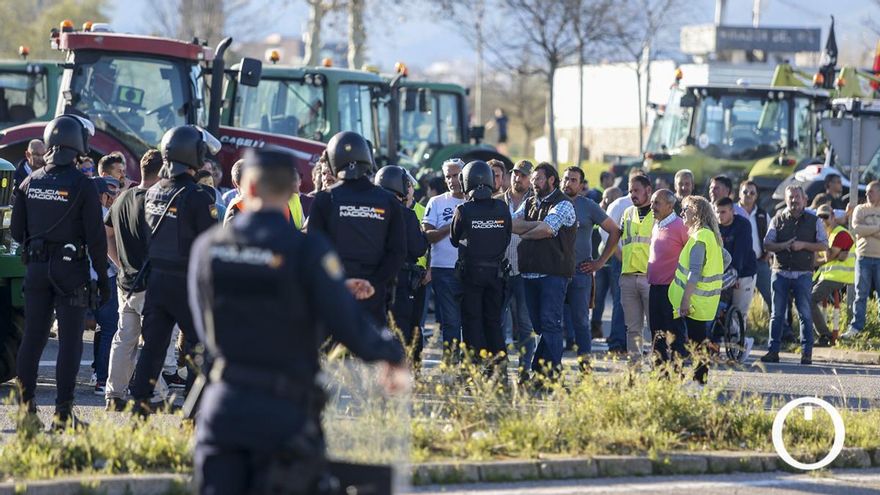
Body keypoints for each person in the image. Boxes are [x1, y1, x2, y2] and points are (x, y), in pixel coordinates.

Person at [188, 145, 408, 495]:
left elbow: (203, 324)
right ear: (292, 188)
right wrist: (390, 353)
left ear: (248, 187)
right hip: (283, 411)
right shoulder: (306, 250)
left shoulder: (209, 247)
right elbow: (346, 320)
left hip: (223, 406)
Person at [11, 114, 109, 428]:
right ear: (78, 145)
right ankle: (63, 414)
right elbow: (96, 238)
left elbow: (16, 232)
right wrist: (104, 280)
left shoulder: (29, 181)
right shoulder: (83, 185)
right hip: (71, 271)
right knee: (70, 342)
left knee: (33, 339)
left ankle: (26, 412)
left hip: (37, 269)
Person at [128, 125, 221, 414]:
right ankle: (193, 415)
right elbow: (212, 243)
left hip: (157, 281)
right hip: (187, 283)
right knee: (197, 349)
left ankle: (138, 409)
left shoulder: (153, 191)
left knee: (152, 349)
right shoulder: (198, 197)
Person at [307, 131, 406, 326]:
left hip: (334, 291)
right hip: (372, 293)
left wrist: (341, 281)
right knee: (370, 351)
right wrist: (373, 283)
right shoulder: (388, 201)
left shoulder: (325, 199)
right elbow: (397, 252)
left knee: (332, 353)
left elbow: (315, 249)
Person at [104, 149, 168, 411]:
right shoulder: (156, 200)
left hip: (126, 280)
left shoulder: (122, 198)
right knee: (154, 341)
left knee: (125, 337)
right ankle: (159, 396)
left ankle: (114, 394)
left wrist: (120, 263)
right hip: (150, 281)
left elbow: (105, 234)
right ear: (162, 172)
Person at [512, 162, 576, 378]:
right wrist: (534, 226)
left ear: (551, 180)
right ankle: (541, 371)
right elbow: (512, 224)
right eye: (533, 179)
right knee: (540, 327)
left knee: (550, 325)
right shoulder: (529, 201)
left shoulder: (564, 204)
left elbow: (547, 229)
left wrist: (526, 231)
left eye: (538, 179)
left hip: (553, 275)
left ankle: (550, 375)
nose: (534, 183)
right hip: (529, 274)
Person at [450, 161, 512, 369]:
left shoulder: (464, 209)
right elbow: (506, 238)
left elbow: (453, 239)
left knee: (472, 321)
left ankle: (473, 368)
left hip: (472, 275)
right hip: (496, 274)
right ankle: (499, 367)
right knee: (493, 321)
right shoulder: (502, 208)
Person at [761, 185, 828, 364]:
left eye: (797, 197)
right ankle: (773, 351)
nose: (794, 200)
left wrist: (803, 245)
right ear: (786, 199)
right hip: (780, 272)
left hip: (803, 273)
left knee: (805, 314)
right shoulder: (777, 219)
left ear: (805, 199)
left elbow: (823, 245)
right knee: (777, 315)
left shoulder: (815, 221)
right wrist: (783, 246)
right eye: (791, 197)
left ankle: (807, 353)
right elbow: (767, 244)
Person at [561, 167, 620, 368]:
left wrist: (600, 262)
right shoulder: (550, 204)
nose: (568, 183)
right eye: (566, 179)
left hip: (580, 272)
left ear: (581, 185)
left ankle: (585, 366)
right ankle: (549, 368)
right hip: (553, 272)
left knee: (581, 322)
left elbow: (614, 231)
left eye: (574, 180)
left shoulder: (588, 206)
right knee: (550, 323)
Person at [668, 195, 724, 387]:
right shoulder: (709, 235)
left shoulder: (701, 237)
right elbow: (727, 259)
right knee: (698, 342)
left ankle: (699, 382)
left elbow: (694, 273)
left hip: (693, 301)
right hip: (703, 301)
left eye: (686, 209)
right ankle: (698, 381)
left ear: (698, 213)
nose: (682, 213)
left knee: (696, 344)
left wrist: (685, 300)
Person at [375, 166, 428, 362]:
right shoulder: (407, 215)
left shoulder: (374, 212)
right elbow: (418, 249)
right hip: (402, 280)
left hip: (376, 277)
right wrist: (424, 238)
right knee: (403, 327)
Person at [423, 159, 467, 351]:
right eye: (448, 176)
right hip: (444, 270)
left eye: (455, 175)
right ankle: (451, 366)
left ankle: (471, 367)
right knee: (450, 322)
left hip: (471, 269)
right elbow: (428, 236)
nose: (451, 180)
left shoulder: (475, 201)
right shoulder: (437, 202)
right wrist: (452, 225)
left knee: (471, 321)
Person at [498, 160, 535, 375]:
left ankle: (524, 368)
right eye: (514, 174)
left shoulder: (535, 204)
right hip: (500, 271)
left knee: (525, 324)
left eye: (522, 175)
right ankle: (500, 367)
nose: (517, 178)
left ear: (530, 179)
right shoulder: (497, 203)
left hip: (525, 271)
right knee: (499, 322)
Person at [646, 189, 689, 366]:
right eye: (652, 202)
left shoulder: (680, 226)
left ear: (670, 206)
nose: (652, 206)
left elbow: (692, 253)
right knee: (657, 333)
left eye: (657, 203)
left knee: (674, 334)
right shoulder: (657, 224)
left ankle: (677, 372)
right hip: (655, 287)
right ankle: (660, 375)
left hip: (672, 289)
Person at [619, 174, 654, 360]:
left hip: (651, 278)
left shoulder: (658, 214)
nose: (632, 194)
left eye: (636, 190)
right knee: (632, 329)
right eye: (630, 190)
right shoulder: (627, 213)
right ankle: (634, 370)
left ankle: (660, 370)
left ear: (648, 190)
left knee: (656, 327)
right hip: (629, 277)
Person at [92, 177, 120, 396]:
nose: (112, 198)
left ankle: (97, 373)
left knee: (100, 328)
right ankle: (102, 379)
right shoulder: (106, 216)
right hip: (106, 277)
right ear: (103, 196)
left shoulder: (80, 213)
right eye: (110, 194)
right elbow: (111, 247)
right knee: (110, 328)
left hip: (81, 277)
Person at [811, 204, 854, 346]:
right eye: (819, 217)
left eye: (826, 216)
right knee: (800, 296)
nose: (822, 220)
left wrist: (823, 256)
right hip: (827, 276)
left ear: (833, 217)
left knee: (809, 299)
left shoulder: (840, 234)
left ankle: (825, 335)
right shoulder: (828, 235)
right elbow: (820, 259)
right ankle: (813, 334)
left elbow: (827, 257)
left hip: (839, 277)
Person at [842, 181, 880, 340]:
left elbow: (862, 230)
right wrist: (877, 229)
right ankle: (856, 327)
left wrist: (867, 231)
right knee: (860, 294)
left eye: (871, 192)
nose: (867, 194)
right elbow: (856, 228)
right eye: (867, 192)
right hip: (863, 257)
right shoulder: (860, 209)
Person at [715, 197, 757, 318]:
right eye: (717, 212)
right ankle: (722, 335)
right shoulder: (715, 226)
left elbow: (741, 252)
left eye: (723, 212)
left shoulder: (743, 225)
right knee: (722, 311)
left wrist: (736, 273)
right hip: (723, 272)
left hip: (744, 272)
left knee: (739, 312)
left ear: (732, 211)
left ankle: (738, 337)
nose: (719, 215)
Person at [591, 186, 623, 341]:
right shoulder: (599, 212)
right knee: (597, 298)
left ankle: (616, 334)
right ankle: (595, 327)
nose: (603, 202)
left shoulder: (618, 213)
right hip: (601, 263)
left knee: (617, 298)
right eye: (603, 198)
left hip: (614, 261)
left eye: (607, 199)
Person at [738, 181, 772, 311]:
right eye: (745, 192)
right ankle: (734, 329)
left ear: (756, 196)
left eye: (752, 192)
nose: (748, 195)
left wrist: (769, 253)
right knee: (737, 301)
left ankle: (782, 329)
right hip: (739, 263)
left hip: (760, 262)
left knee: (771, 296)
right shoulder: (733, 212)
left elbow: (771, 235)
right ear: (739, 193)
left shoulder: (762, 214)